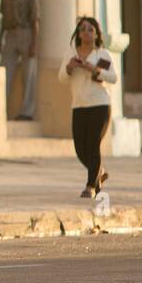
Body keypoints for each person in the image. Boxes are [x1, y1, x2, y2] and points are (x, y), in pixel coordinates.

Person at [58, 15, 117, 198]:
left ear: (96, 33)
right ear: (78, 33)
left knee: (93, 144)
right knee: (80, 148)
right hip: (79, 105)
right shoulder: (71, 53)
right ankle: (99, 171)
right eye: (82, 29)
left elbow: (112, 78)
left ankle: (90, 186)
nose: (86, 32)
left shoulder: (101, 55)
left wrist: (94, 69)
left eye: (90, 29)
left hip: (100, 105)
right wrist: (70, 67)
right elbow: (61, 77)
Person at [0, 0, 40, 121]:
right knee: (4, 70)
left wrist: (34, 43)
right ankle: (0, 108)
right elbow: (3, 15)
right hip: (10, 34)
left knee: (29, 74)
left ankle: (26, 112)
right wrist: (0, 38)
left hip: (26, 33)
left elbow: (35, 19)